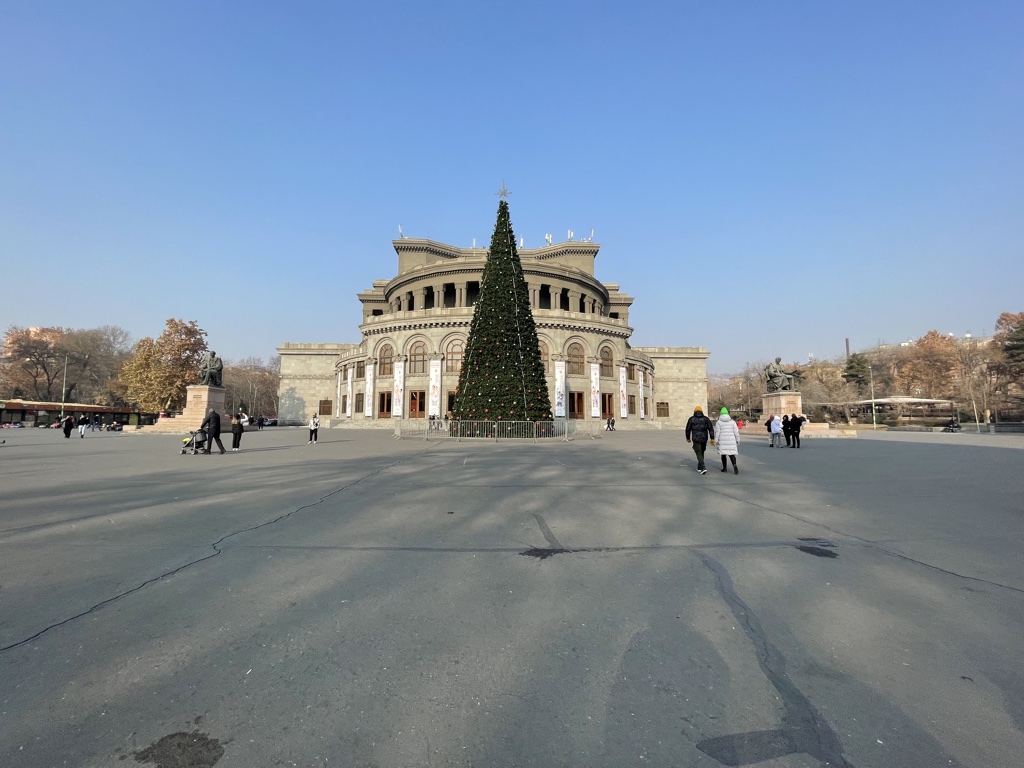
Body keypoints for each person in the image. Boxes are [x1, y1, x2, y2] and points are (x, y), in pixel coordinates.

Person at [684, 405, 714, 475]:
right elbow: (711, 429)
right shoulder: (706, 419)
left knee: (698, 452)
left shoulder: (691, 419)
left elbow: (688, 429)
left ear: (694, 411)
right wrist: (712, 438)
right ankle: (699, 467)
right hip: (704, 438)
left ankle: (703, 467)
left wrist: (688, 438)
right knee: (702, 451)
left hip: (695, 438)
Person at [715, 406, 741, 474]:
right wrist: (738, 439)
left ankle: (724, 468)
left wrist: (716, 440)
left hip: (722, 440)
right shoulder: (732, 422)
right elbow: (736, 431)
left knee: (723, 455)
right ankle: (734, 465)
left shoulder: (719, 422)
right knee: (732, 454)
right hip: (731, 440)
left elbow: (717, 432)